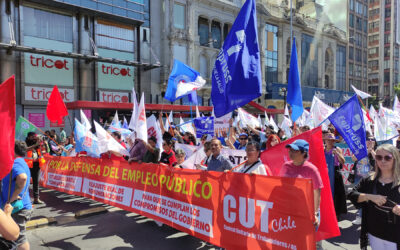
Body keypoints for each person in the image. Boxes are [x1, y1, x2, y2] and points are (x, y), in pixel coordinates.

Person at [348, 144, 400, 250]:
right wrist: (369, 197)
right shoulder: (369, 180)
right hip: (374, 234)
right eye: (379, 157)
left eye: (387, 157)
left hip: (396, 235)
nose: (383, 161)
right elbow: (352, 195)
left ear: (395, 159)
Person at [279, 139, 323, 228]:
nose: (290, 152)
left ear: (304, 153)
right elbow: (280, 186)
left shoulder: (311, 169)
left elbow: (317, 193)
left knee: (306, 240)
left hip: (306, 211)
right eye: (290, 150)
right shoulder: (286, 166)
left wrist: (314, 213)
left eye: (294, 150)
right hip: (288, 210)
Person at [1, 140, 33, 250]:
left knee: (19, 239)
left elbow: (22, 177)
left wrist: (11, 199)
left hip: (17, 208)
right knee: (17, 238)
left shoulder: (15, 162)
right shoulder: (21, 161)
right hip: (20, 206)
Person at [323, 132, 347, 218]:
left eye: (332, 140)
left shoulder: (337, 149)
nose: (330, 142)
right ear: (325, 141)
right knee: (326, 193)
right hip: (325, 173)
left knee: (337, 194)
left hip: (336, 173)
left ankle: (336, 213)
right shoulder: (322, 150)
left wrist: (338, 154)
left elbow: (343, 162)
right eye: (328, 140)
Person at [25, 132, 45, 205]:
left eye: (35, 136)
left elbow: (45, 151)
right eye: (33, 136)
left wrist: (42, 143)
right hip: (27, 165)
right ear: (29, 137)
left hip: (36, 165)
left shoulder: (37, 144)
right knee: (25, 183)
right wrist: (36, 144)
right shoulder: (25, 143)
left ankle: (36, 199)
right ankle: (23, 199)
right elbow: (26, 149)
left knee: (36, 182)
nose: (34, 138)